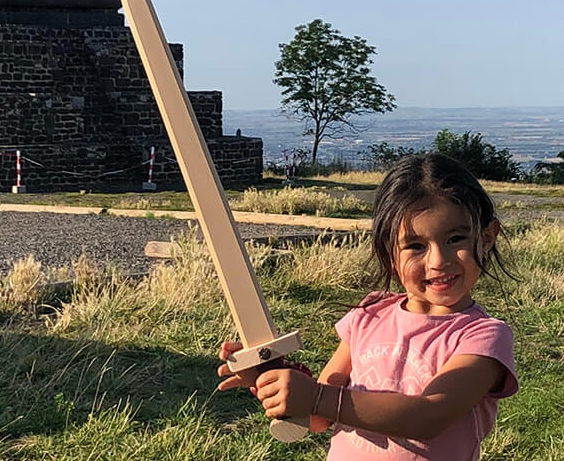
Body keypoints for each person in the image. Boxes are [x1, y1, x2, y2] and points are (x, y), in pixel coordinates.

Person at [217, 153, 518, 459]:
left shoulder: (484, 337)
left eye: (456, 239)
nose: (439, 261)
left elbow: (429, 416)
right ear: (389, 253)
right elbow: (319, 417)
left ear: (487, 237)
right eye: (416, 246)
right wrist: (275, 378)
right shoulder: (369, 314)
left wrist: (316, 397)